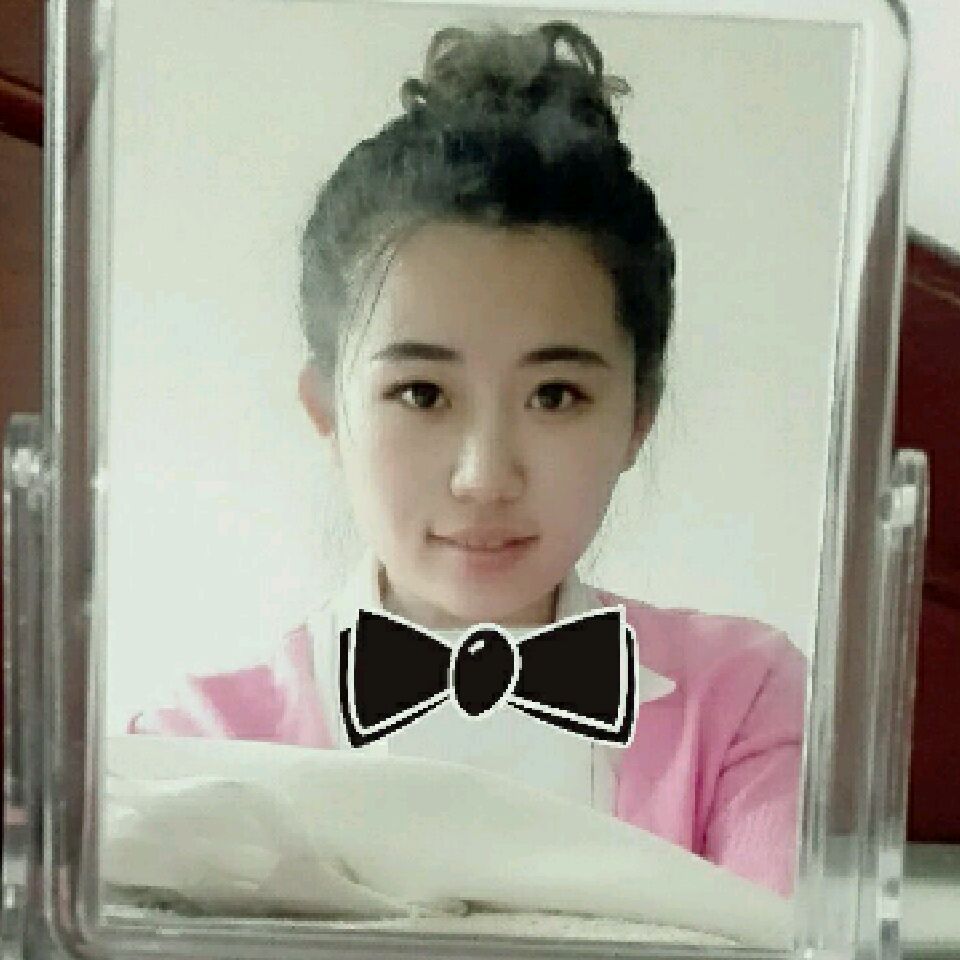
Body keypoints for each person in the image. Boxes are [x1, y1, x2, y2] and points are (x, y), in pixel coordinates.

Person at [128, 20, 806, 898]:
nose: (485, 476)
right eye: (422, 393)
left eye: (554, 395)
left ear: (638, 416)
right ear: (326, 408)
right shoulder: (195, 744)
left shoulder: (744, 699)